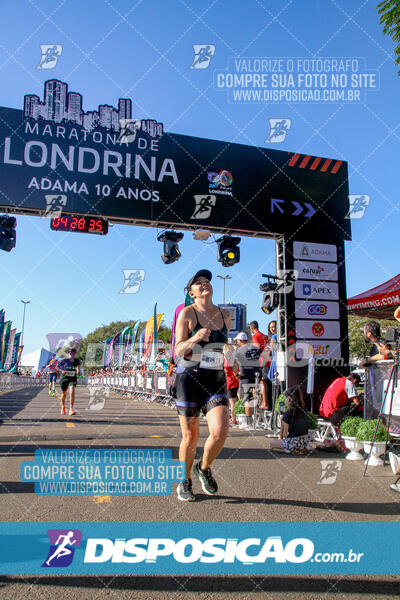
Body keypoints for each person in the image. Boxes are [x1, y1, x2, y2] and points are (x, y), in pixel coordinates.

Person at [174, 269, 230, 502]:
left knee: (220, 432)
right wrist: (195, 338)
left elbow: (225, 344)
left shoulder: (225, 314)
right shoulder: (187, 313)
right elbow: (178, 351)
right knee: (190, 436)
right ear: (192, 293)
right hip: (189, 378)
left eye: (207, 281)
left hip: (215, 378)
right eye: (199, 282)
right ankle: (184, 480)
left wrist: (231, 353)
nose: (205, 283)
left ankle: (203, 468)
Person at [234, 331, 269, 431]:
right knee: (256, 396)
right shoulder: (256, 348)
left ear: (240, 340)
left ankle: (249, 423)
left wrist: (237, 374)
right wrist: (260, 367)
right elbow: (266, 357)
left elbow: (233, 363)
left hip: (246, 376)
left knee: (248, 398)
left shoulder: (239, 350)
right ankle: (256, 421)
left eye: (237, 341)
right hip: (257, 375)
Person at [269, 386, 309, 454]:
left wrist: (282, 422)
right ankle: (297, 450)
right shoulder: (305, 411)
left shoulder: (288, 414)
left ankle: (291, 450)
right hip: (304, 442)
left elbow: (285, 435)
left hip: (292, 442)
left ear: (289, 399)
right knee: (276, 445)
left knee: (272, 444)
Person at [249, 320, 270, 409]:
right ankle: (264, 403)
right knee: (263, 382)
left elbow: (256, 350)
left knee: (260, 381)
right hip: (267, 359)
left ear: (252, 328)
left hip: (261, 361)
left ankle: (263, 403)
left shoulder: (255, 336)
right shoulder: (264, 336)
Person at [58, 348, 81, 416]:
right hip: (64, 378)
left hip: (72, 378)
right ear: (68, 353)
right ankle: (63, 406)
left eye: (73, 353)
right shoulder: (64, 361)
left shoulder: (77, 361)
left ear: (75, 354)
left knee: (72, 392)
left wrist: (78, 372)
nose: (72, 354)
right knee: (64, 393)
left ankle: (71, 409)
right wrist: (62, 371)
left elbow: (78, 368)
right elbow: (57, 367)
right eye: (71, 353)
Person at [223, 342, 239, 425]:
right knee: (234, 400)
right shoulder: (233, 358)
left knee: (232, 401)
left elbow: (227, 369)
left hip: (230, 381)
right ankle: (234, 417)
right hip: (234, 380)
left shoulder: (227, 359)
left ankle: (233, 418)